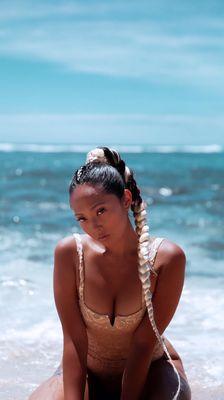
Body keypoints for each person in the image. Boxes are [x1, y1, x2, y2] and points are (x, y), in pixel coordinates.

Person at [28, 146, 191, 400]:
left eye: (101, 211)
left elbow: (143, 344)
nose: (93, 226)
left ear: (126, 199)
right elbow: (74, 342)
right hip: (89, 372)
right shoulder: (69, 254)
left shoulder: (166, 259)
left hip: (151, 368)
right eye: (81, 218)